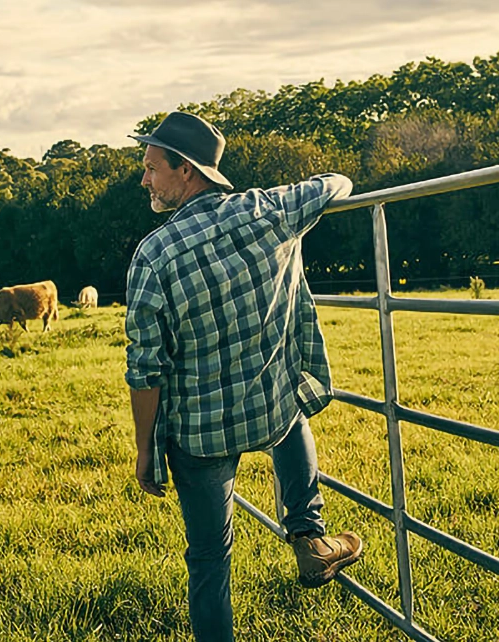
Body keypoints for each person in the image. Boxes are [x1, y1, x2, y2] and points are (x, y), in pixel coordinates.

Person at [124, 111, 363, 642]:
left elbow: (145, 368)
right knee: (292, 406)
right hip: (270, 410)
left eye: (151, 168)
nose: (144, 179)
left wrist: (145, 449)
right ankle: (308, 536)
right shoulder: (268, 208)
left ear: (185, 171)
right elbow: (337, 182)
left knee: (209, 557)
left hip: (200, 435)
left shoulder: (153, 254)